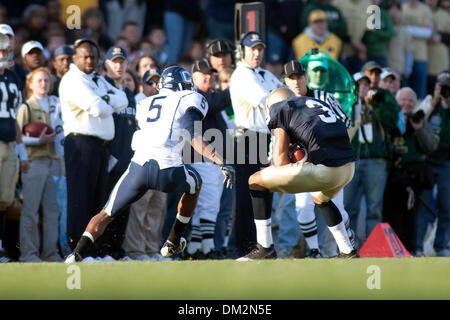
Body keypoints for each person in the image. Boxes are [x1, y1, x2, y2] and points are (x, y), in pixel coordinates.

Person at [64, 66, 235, 263]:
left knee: (106, 213)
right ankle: (173, 241)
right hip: (167, 168)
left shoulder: (145, 102)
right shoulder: (188, 98)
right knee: (195, 182)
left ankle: (75, 254)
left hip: (137, 168)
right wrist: (219, 160)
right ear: (183, 85)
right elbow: (191, 132)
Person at [237, 87, 357, 260]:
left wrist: (294, 158)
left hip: (326, 170)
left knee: (255, 181)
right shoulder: (317, 103)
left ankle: (265, 248)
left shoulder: (280, 108)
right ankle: (347, 251)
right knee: (320, 197)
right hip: (348, 168)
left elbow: (280, 162)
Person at [59, 39, 128, 254]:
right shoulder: (72, 80)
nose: (90, 61)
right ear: (75, 58)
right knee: (81, 199)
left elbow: (123, 99)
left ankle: (95, 251)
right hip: (80, 144)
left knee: (98, 202)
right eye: (85, 56)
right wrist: (105, 99)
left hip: (100, 147)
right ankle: (78, 251)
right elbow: (98, 109)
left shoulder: (96, 79)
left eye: (93, 57)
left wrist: (102, 97)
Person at [229, 31, 282, 257]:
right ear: (242, 51)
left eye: (260, 49)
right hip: (248, 138)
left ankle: (263, 246)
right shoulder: (242, 75)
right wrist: (280, 94)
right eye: (253, 49)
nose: (257, 53)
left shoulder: (265, 74)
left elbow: (282, 94)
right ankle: (245, 247)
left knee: (264, 195)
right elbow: (270, 100)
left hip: (265, 138)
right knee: (248, 197)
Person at [343, 61, 400, 248]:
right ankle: (347, 248)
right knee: (348, 207)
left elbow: (393, 122)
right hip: (351, 160)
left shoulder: (383, 96)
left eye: (375, 76)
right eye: (365, 80)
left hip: (376, 160)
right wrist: (355, 102)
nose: (370, 82)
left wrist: (376, 106)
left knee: (374, 209)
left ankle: (373, 248)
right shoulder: (347, 99)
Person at [185, 58, 233, 259]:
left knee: (205, 206)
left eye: (211, 74)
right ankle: (208, 247)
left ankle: (196, 248)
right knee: (208, 204)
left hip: (209, 158)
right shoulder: (194, 96)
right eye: (204, 74)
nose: (209, 77)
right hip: (200, 157)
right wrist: (239, 84)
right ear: (193, 76)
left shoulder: (207, 97)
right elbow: (219, 101)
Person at [16, 67, 64, 262]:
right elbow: (17, 136)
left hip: (54, 161)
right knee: (30, 210)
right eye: (39, 81)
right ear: (31, 84)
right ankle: (29, 253)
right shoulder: (26, 107)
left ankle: (50, 252)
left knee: (53, 210)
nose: (44, 84)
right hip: (34, 161)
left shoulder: (57, 105)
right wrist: (38, 141)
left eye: (46, 80)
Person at [382, 87, 438, 253]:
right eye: (403, 100)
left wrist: (419, 128)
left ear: (415, 104)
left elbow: (431, 146)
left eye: (411, 101)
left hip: (412, 177)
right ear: (397, 102)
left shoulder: (420, 120)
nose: (406, 104)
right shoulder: (391, 119)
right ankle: (392, 248)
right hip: (392, 175)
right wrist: (399, 124)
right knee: (391, 214)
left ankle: (411, 248)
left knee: (411, 216)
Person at [0, 33, 29, 262]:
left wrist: (22, 152)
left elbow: (17, 120)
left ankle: (2, 246)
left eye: (5, 50)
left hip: (10, 143)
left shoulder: (14, 78)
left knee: (5, 200)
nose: (2, 54)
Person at [415, 75, 450, 256]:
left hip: (446, 162)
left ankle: (441, 245)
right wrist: (435, 101)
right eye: (442, 88)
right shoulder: (429, 103)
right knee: (423, 205)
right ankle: (418, 246)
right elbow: (418, 118)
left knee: (447, 205)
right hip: (427, 161)